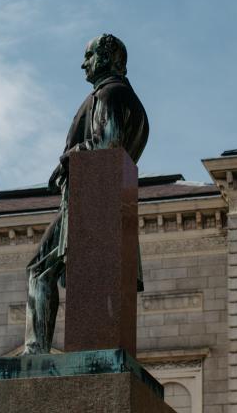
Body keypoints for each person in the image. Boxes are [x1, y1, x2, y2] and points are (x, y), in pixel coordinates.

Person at [22, 34, 149, 355]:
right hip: (103, 203)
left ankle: (36, 350)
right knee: (42, 270)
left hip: (88, 204)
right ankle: (38, 348)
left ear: (107, 57)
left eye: (89, 55)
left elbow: (105, 144)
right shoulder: (130, 100)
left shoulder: (109, 94)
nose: (83, 64)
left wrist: (66, 159)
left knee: (39, 270)